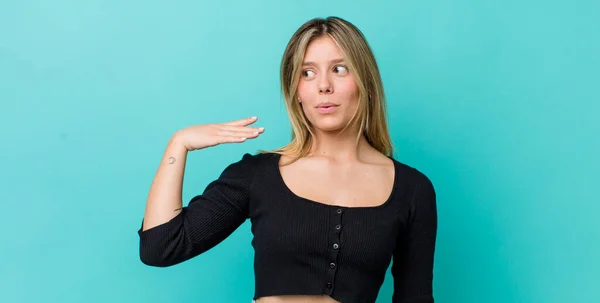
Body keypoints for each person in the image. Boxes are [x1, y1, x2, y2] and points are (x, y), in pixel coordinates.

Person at [138, 16, 437, 303]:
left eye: (340, 69)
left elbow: (416, 298)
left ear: (365, 82)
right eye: (307, 73)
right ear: (296, 92)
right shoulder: (256, 175)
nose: (323, 86)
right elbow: (160, 248)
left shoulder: (413, 190)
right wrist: (179, 145)